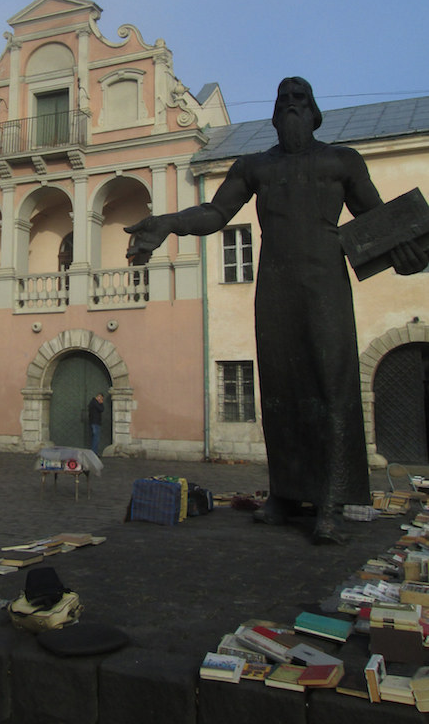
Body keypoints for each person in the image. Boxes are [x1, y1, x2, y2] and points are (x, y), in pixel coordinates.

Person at [125, 77, 428, 544]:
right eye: (283, 100)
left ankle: (331, 500)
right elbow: (216, 213)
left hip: (324, 280)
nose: (290, 106)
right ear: (274, 113)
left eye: (299, 100)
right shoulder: (255, 166)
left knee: (331, 385)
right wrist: (169, 223)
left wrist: (411, 255)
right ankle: (286, 493)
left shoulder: (341, 160)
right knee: (279, 385)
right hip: (273, 282)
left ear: (314, 111)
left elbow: (378, 221)